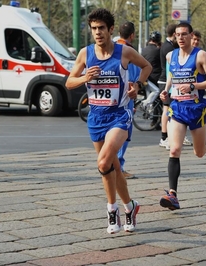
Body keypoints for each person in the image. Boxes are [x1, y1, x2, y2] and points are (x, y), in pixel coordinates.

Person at [65, 8, 152, 234]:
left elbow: (147, 67)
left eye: (101, 28)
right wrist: (86, 77)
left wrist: (137, 86)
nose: (97, 33)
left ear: (111, 29)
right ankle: (130, 206)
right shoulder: (85, 54)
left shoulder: (124, 52)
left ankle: (111, 210)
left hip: (120, 115)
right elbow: (69, 82)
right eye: (93, 29)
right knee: (113, 167)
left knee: (103, 163)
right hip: (96, 117)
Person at [159, 22, 206, 211]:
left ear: (191, 35)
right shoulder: (171, 55)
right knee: (174, 149)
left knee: (199, 152)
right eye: (177, 34)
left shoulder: (200, 55)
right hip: (177, 108)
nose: (180, 38)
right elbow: (172, 76)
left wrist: (194, 86)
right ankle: (173, 195)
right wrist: (166, 91)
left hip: (195, 109)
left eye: (184, 34)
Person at [115, 21, 139, 179]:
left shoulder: (112, 48)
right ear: (132, 35)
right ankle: (119, 167)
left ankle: (113, 165)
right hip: (125, 97)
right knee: (124, 132)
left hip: (111, 97)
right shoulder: (129, 51)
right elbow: (136, 75)